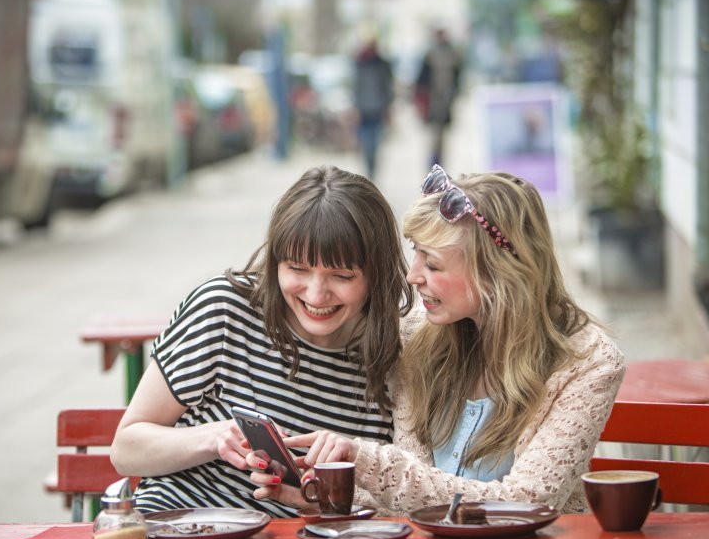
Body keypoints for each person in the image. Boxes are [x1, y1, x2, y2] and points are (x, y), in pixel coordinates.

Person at [248, 166, 626, 514]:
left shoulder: (587, 362)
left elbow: (527, 503)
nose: (412, 276)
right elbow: (414, 502)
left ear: (495, 274)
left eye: (432, 264)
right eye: (416, 254)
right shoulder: (417, 339)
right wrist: (328, 498)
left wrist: (370, 461)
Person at [110, 165, 414, 517]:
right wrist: (213, 438)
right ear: (275, 263)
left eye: (342, 275)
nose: (316, 294)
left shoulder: (395, 354)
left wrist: (322, 497)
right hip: (178, 522)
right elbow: (125, 449)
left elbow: (398, 498)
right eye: (297, 269)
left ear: (376, 274)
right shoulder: (225, 310)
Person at [414, 28, 463, 167]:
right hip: (435, 104)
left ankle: (436, 166)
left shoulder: (448, 56)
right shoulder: (447, 56)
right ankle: (435, 166)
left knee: (437, 139)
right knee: (436, 139)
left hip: (441, 104)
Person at [352, 37, 394, 180]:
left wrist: (388, 109)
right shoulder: (359, 63)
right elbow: (355, 87)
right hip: (363, 111)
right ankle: (368, 170)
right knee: (366, 145)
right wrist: (355, 108)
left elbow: (388, 88)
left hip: (378, 110)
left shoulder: (383, 64)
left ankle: (372, 172)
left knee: (374, 145)